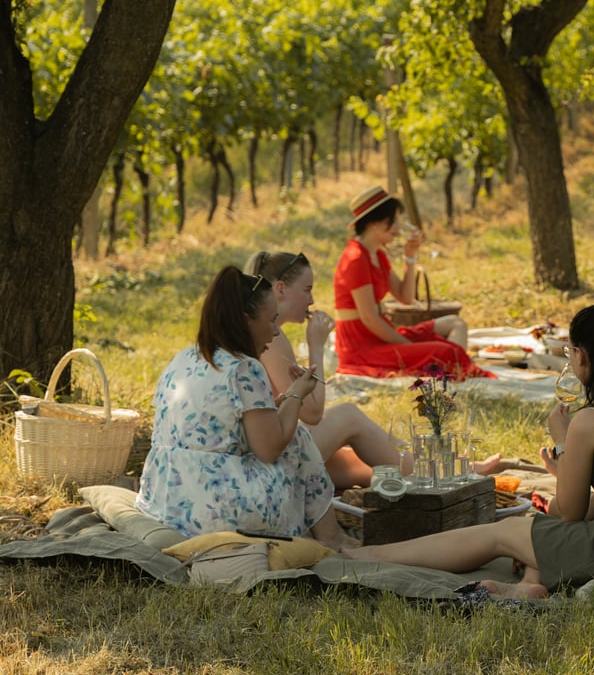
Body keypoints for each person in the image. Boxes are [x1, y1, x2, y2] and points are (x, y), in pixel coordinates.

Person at [345, 305, 594, 599]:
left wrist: (564, 443)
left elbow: (568, 512)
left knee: (503, 532)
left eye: (569, 353)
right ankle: (529, 585)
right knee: (538, 531)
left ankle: (371, 556)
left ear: (582, 356)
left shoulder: (591, 421)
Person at [135, 267, 354, 550]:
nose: (276, 331)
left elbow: (217, 427)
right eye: (271, 320)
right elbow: (270, 449)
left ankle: (326, 536)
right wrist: (296, 394)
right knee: (298, 438)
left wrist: (279, 403)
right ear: (245, 320)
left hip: (167, 499)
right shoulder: (244, 367)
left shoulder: (184, 358)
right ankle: (332, 539)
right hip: (216, 511)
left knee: (287, 432)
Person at [245, 249, 502, 488]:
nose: (311, 300)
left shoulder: (267, 333)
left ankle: (439, 469)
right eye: (307, 290)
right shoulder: (272, 339)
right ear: (280, 289)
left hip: (263, 445)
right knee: (348, 415)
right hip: (265, 454)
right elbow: (313, 413)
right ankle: (439, 472)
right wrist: (316, 347)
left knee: (349, 461)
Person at [333, 186, 488, 379]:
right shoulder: (355, 259)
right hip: (361, 345)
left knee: (455, 323)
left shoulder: (378, 254)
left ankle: (452, 367)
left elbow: (405, 297)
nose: (398, 228)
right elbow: (369, 318)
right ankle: (452, 368)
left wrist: (410, 257)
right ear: (373, 223)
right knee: (444, 351)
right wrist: (407, 345)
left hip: (380, 334)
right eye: (393, 221)